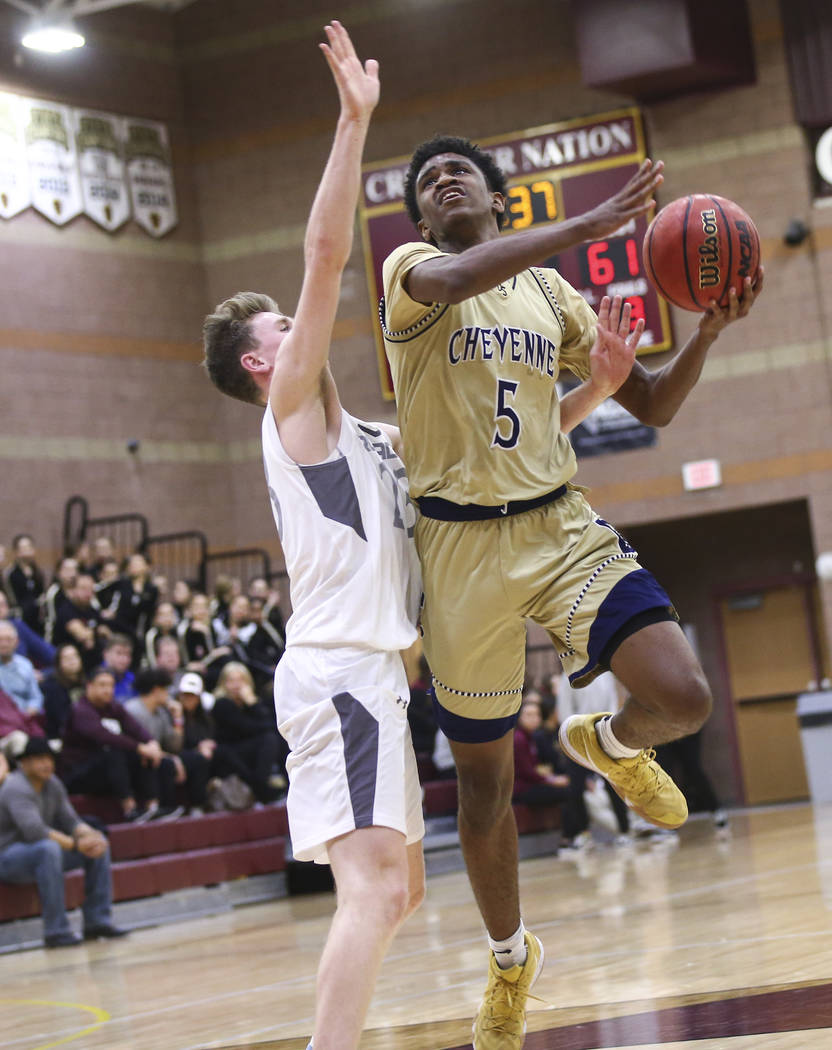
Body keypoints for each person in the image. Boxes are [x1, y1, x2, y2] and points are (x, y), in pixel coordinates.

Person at [381, 133, 763, 1047]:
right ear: (426, 221)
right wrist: (590, 222)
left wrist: (707, 327)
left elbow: (657, 407)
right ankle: (511, 962)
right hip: (458, 550)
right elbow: (454, 279)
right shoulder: (412, 272)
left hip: (557, 525)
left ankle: (610, 740)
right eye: (429, 183)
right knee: (484, 787)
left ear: (498, 200)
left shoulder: (550, 294)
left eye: (461, 171)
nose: (443, 180)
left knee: (685, 696)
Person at [201, 24, 427, 1050]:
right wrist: (352, 120)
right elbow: (327, 256)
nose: (298, 329)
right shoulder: (290, 410)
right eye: (278, 332)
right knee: (375, 895)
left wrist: (590, 394)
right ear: (259, 367)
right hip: (342, 672)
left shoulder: (368, 438)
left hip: (367, 674)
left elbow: (469, 472)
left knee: (399, 891)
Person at [0, 736, 127, 947]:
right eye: (39, 759)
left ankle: (98, 921)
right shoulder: (15, 787)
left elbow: (71, 821)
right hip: (7, 858)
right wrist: (78, 845)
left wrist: (90, 836)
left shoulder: (53, 783)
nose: (47, 764)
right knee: (48, 849)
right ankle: (56, 931)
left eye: (49, 758)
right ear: (24, 763)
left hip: (39, 852)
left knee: (97, 842)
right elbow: (35, 832)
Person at [59, 667, 175, 823]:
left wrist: (151, 743)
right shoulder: (81, 710)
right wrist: (141, 748)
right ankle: (129, 809)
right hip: (79, 771)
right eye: (102, 685)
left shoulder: (114, 707)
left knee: (148, 757)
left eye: (111, 686)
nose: (108, 690)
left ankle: (153, 807)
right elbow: (104, 736)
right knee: (116, 751)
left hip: (109, 771)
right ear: (89, 686)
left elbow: (135, 728)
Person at [210, 662, 286, 803]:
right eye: (231, 681)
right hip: (228, 755)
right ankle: (261, 787)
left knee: (275, 738)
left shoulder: (249, 701)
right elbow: (248, 728)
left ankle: (286, 782)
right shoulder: (222, 704)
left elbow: (271, 724)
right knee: (269, 739)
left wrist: (252, 702)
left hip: (248, 751)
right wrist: (253, 705)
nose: (237, 685)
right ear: (223, 684)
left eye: (240, 680)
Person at [41, 644, 86, 738]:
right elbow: (61, 718)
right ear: (58, 663)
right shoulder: (52, 687)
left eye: (75, 656)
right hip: (60, 735)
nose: (72, 661)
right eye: (66, 658)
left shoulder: (86, 683)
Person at [0, 620, 44, 716]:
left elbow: (36, 698)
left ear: (16, 642)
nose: (4, 644)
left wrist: (26, 714)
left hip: (23, 717)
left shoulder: (25, 664)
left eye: (8, 640)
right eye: (0, 640)